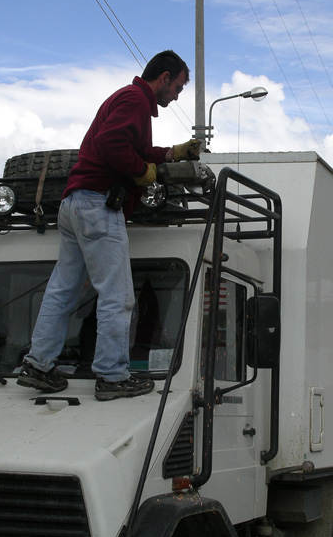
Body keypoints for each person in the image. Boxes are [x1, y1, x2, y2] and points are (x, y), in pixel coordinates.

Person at [18, 50, 200, 401]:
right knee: (117, 295)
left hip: (74, 204)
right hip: (98, 206)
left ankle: (38, 365)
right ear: (164, 78)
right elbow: (113, 144)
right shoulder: (135, 100)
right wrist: (141, 172)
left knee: (62, 290)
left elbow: (132, 147)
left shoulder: (127, 99)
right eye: (178, 87)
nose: (177, 95)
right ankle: (112, 376)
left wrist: (172, 153)